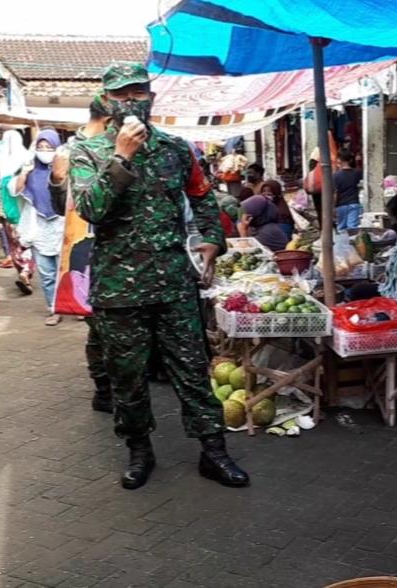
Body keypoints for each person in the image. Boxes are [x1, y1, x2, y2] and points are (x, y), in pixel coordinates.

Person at [71, 62, 248, 490]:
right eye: (120, 95)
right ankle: (139, 450)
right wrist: (122, 157)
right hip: (119, 287)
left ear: (152, 96)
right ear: (105, 101)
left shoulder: (176, 149)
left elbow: (205, 200)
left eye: (138, 92)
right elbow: (90, 210)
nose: (131, 101)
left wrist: (211, 241)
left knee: (192, 369)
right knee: (127, 376)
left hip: (173, 282)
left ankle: (214, 451)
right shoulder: (88, 153)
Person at [50, 96, 114, 413]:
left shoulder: (115, 146)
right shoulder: (68, 151)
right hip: (84, 245)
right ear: (106, 119)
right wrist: (56, 180)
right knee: (97, 323)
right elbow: (57, 204)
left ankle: (113, 386)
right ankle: (103, 389)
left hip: (118, 247)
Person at [15, 129, 65, 326]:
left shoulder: (64, 168)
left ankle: (76, 305)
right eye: (41, 147)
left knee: (66, 270)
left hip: (61, 224)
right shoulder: (30, 169)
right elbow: (17, 191)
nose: (44, 151)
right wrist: (25, 173)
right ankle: (54, 309)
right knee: (46, 274)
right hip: (38, 226)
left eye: (49, 147)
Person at [0, 130, 35, 294]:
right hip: (27, 206)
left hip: (8, 206)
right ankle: (27, 270)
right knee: (29, 239)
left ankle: (22, 269)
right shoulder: (27, 157)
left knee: (14, 242)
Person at [333, 148, 364, 231]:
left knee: (341, 229)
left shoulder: (336, 176)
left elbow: (335, 193)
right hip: (354, 204)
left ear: (339, 160)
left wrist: (333, 207)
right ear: (350, 160)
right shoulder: (357, 173)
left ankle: (342, 243)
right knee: (353, 229)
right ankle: (352, 243)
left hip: (341, 206)